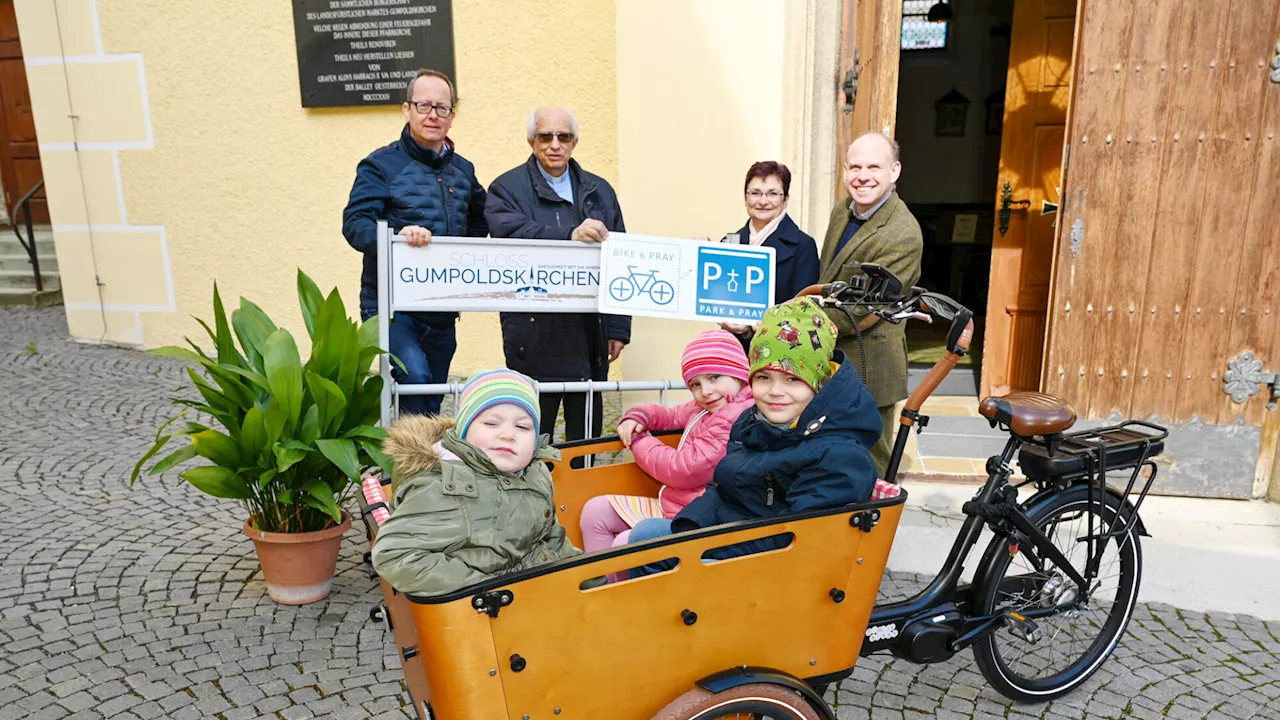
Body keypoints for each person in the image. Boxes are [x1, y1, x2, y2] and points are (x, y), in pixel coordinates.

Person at [625, 297, 882, 575]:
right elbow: (723, 490)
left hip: (776, 570)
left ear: (819, 383)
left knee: (668, 557)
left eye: (793, 379)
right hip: (738, 537)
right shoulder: (753, 422)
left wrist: (699, 545)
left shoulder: (839, 456)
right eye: (763, 378)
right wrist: (690, 527)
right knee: (645, 534)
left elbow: (797, 540)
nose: (774, 391)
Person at [342, 69, 488, 416]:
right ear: (406, 109)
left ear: (452, 116)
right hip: (392, 306)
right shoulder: (381, 165)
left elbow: (481, 217)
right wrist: (395, 240)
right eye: (424, 106)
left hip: (441, 305)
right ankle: (406, 463)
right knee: (415, 378)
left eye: (442, 107)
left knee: (432, 398)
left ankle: (421, 465)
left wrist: (460, 251)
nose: (433, 115)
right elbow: (355, 223)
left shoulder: (463, 170)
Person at [485, 106, 630, 442]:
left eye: (563, 136)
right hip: (533, 331)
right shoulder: (506, 189)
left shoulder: (600, 190)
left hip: (589, 332)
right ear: (531, 140)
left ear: (575, 142)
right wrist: (569, 235)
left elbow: (621, 260)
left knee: (587, 437)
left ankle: (584, 492)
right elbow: (510, 234)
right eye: (545, 136)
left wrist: (618, 328)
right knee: (533, 432)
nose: (554, 144)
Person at [370, 369, 580, 596]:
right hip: (487, 612)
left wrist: (586, 575)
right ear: (464, 430)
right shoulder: (443, 489)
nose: (508, 434)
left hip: (533, 592)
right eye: (491, 423)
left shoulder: (535, 473)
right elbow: (395, 555)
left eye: (523, 427)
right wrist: (487, 586)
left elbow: (550, 538)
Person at [578, 330, 754, 562]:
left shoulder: (735, 418)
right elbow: (670, 415)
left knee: (625, 544)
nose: (706, 391)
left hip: (695, 516)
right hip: (673, 503)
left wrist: (639, 440)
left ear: (739, 374)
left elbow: (683, 470)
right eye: (695, 384)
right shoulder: (704, 407)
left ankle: (616, 595)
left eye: (714, 377)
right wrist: (639, 416)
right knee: (595, 512)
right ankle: (596, 582)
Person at [817, 131, 922, 478]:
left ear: (894, 171)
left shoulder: (903, 233)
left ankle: (870, 525)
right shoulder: (841, 210)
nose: (863, 176)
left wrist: (803, 317)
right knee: (831, 455)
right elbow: (829, 277)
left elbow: (865, 308)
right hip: (832, 356)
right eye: (855, 166)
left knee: (868, 462)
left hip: (870, 363)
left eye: (873, 166)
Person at [718, 162, 821, 353]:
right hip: (736, 350)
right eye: (755, 193)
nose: (763, 201)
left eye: (773, 193)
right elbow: (719, 298)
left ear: (786, 198)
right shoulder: (729, 242)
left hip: (781, 352)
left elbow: (805, 309)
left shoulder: (803, 245)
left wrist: (771, 322)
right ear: (745, 197)